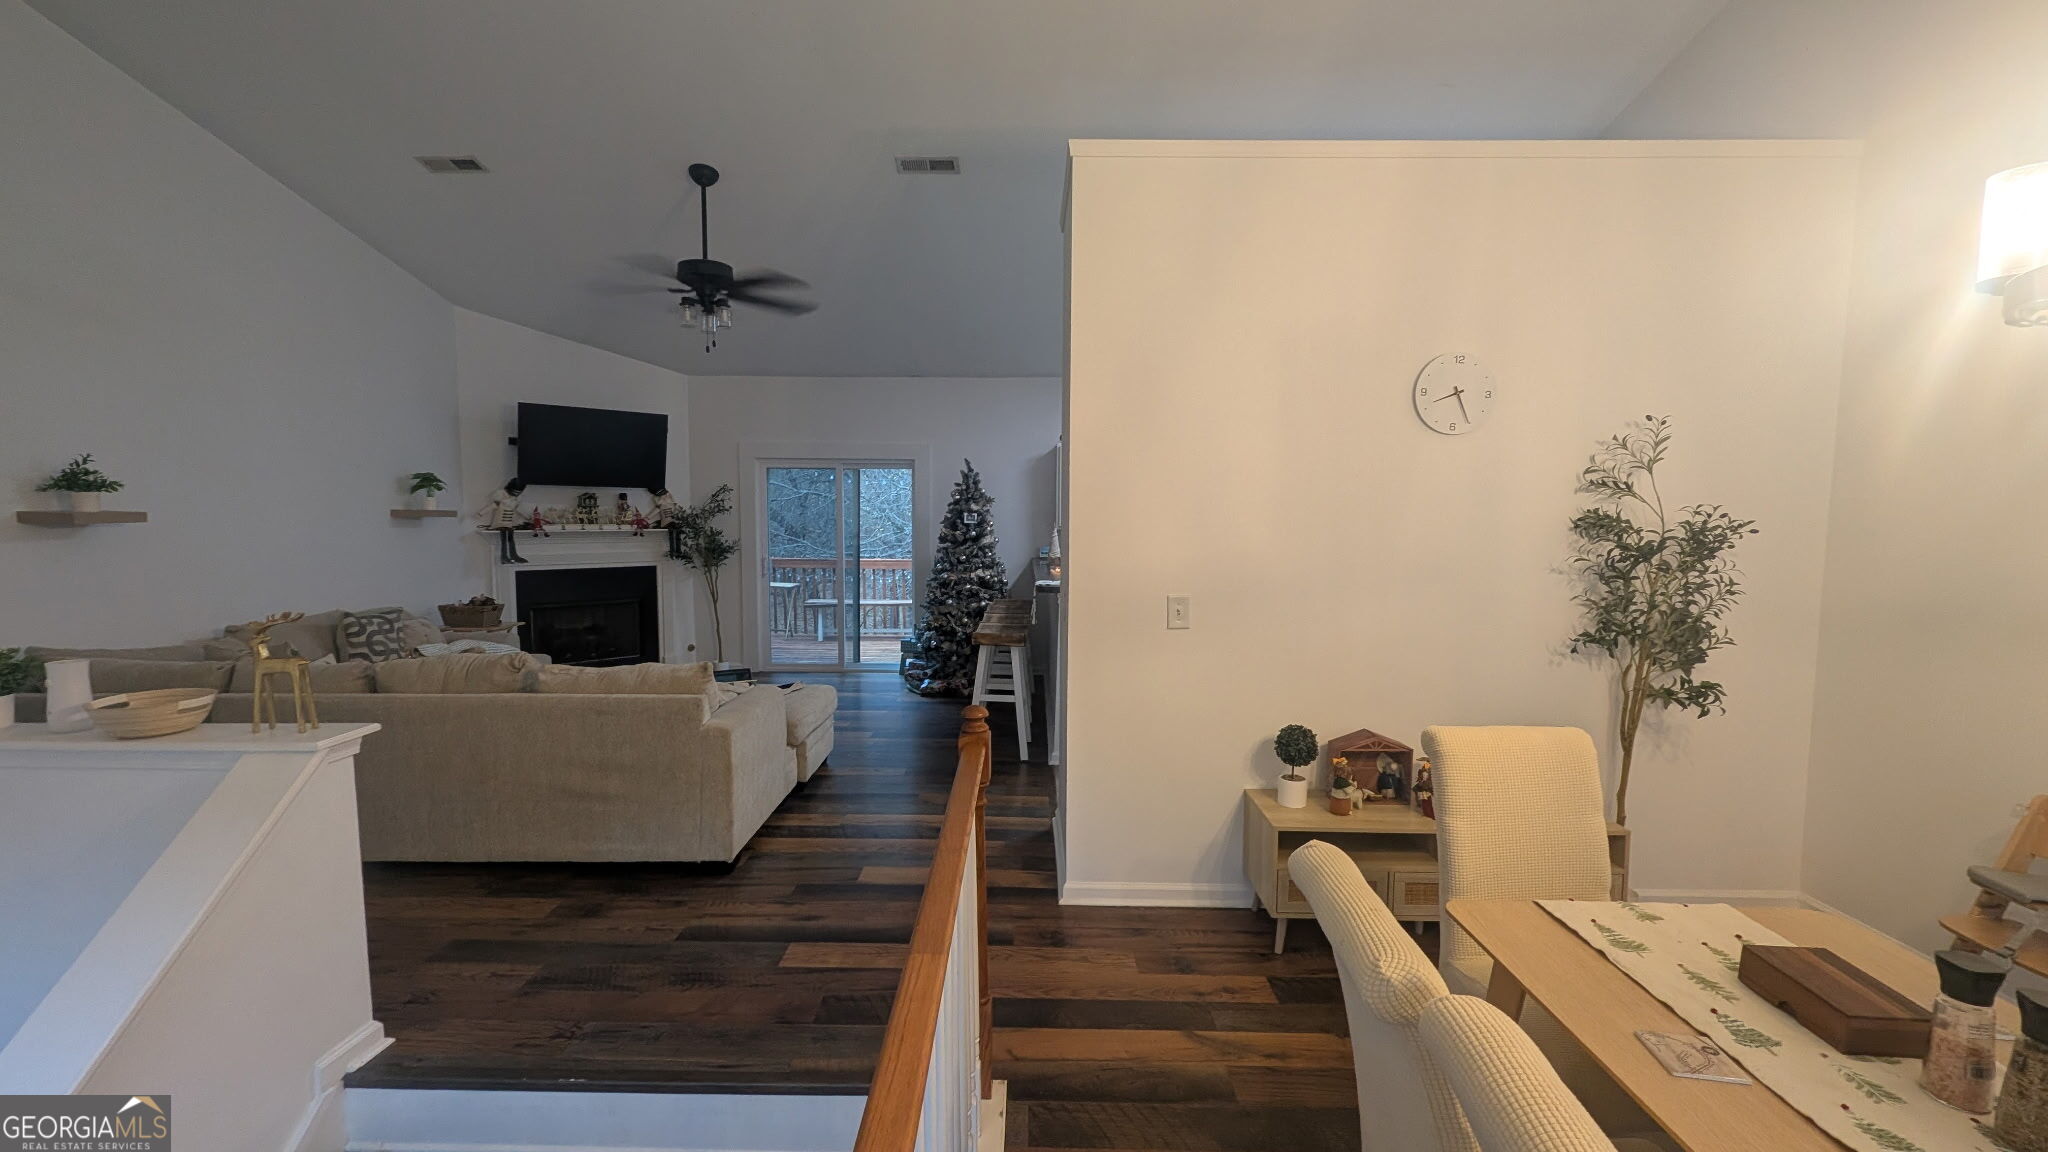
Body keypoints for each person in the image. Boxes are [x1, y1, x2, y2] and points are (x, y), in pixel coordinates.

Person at [478, 477, 528, 563]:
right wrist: (481, 513)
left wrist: (528, 517)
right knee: (504, 540)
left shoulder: (515, 501)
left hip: (509, 524)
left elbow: (520, 510)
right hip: (500, 524)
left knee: (511, 538)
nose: (516, 494)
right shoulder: (501, 498)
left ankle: (513, 555)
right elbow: (492, 506)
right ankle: (504, 556)